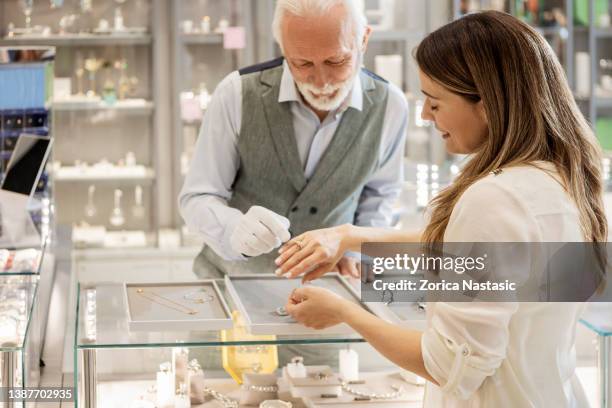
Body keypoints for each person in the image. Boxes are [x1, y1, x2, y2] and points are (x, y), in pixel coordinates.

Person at [275, 11, 607, 407]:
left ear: (487, 103)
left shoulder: (493, 198)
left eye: (435, 102)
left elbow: (448, 364)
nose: (424, 115)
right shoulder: (559, 178)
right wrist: (351, 237)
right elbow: (496, 269)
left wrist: (347, 312)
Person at [179, 0, 408, 279]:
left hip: (331, 291)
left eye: (336, 61)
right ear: (283, 48)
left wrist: (357, 249)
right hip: (232, 283)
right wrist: (233, 229)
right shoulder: (236, 94)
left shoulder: (390, 106)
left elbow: (380, 196)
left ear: (364, 39)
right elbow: (199, 196)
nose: (321, 80)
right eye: (302, 63)